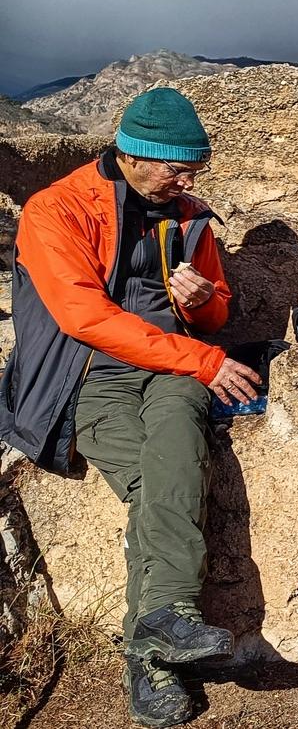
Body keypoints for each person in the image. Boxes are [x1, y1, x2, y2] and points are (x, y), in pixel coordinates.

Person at [0, 88, 261, 729]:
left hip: (173, 367)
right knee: (157, 485)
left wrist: (201, 302)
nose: (188, 181)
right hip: (87, 374)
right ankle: (155, 651)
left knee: (176, 447)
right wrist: (203, 359)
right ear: (133, 155)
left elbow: (218, 311)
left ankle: (161, 632)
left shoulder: (189, 217)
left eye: (195, 169)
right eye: (177, 168)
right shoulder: (56, 210)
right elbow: (83, 317)